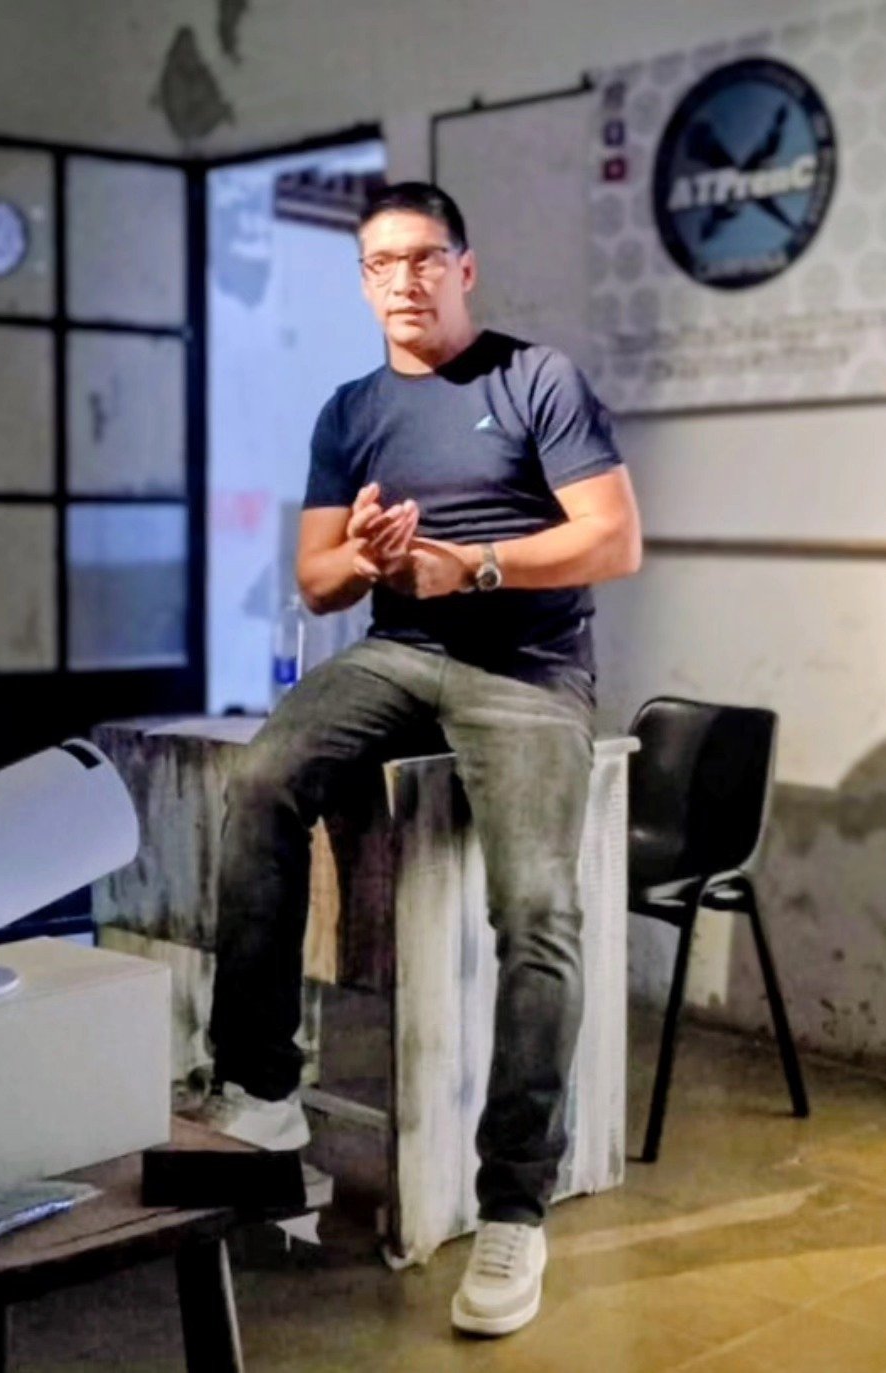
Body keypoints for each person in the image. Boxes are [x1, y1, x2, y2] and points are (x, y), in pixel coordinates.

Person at [201, 181, 641, 1337]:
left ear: (463, 267)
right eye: (380, 263)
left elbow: (613, 537)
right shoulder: (349, 410)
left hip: (528, 672)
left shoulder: (533, 378)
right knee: (260, 781)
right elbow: (314, 580)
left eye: (422, 258)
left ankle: (513, 1207)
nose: (401, 279)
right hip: (398, 656)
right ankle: (261, 1086)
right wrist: (364, 554)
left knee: (537, 909)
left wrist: (473, 566)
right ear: (363, 283)